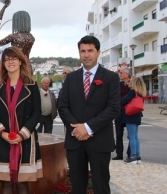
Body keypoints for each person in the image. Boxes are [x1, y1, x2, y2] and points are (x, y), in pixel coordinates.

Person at [58, 35, 120, 194]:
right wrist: (76, 129)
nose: (86, 54)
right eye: (82, 51)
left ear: (98, 52)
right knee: (77, 186)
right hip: (75, 141)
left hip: (99, 140)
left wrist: (87, 127)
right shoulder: (71, 78)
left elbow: (113, 108)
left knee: (101, 186)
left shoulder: (111, 78)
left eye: (90, 51)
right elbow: (63, 106)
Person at [0, 47, 43, 194]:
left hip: (25, 140)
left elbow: (37, 112)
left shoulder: (31, 85)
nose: (10, 62)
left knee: (22, 183)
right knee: (5, 182)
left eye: (13, 58)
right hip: (2, 140)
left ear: (20, 61)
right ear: (3, 64)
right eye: (6, 59)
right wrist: (2, 133)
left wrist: (22, 134)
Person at [121, 76, 145, 164]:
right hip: (137, 115)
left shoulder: (132, 92)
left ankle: (133, 156)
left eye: (131, 82)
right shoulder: (140, 93)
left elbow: (123, 101)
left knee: (131, 137)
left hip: (130, 115)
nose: (129, 83)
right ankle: (137, 156)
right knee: (135, 136)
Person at [112, 67, 131, 161]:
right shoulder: (119, 84)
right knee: (119, 134)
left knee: (130, 134)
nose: (120, 74)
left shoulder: (132, 85)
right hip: (119, 111)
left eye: (122, 73)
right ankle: (119, 154)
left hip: (129, 111)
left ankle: (130, 153)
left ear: (127, 74)